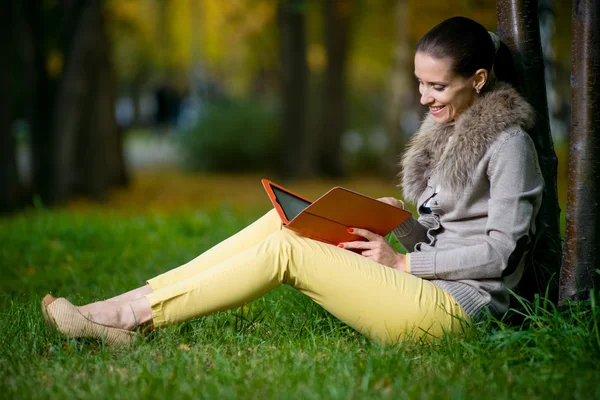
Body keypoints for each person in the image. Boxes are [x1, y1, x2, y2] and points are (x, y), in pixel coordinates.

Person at [41, 16, 544, 348]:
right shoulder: (450, 130)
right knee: (284, 223)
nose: (423, 99)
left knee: (288, 251)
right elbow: (452, 230)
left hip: (460, 311)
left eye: (437, 86)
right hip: (426, 282)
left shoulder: (509, 146)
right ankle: (118, 306)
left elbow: (501, 252)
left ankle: (126, 319)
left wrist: (404, 259)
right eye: (419, 83)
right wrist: (400, 224)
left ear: (478, 79)